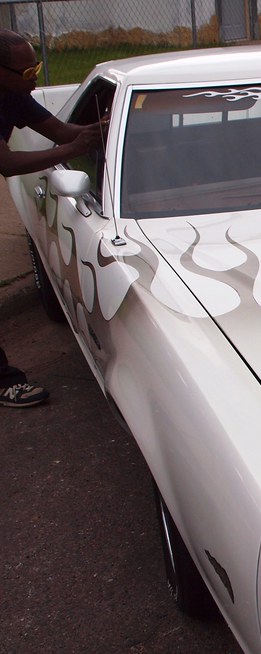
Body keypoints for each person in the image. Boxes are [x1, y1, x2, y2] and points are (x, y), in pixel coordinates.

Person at [0, 29, 103, 407]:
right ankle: (4, 381)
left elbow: (61, 131)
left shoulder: (14, 96)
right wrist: (75, 147)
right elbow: (7, 164)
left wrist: (102, 129)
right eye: (27, 73)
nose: (36, 80)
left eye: (37, 68)